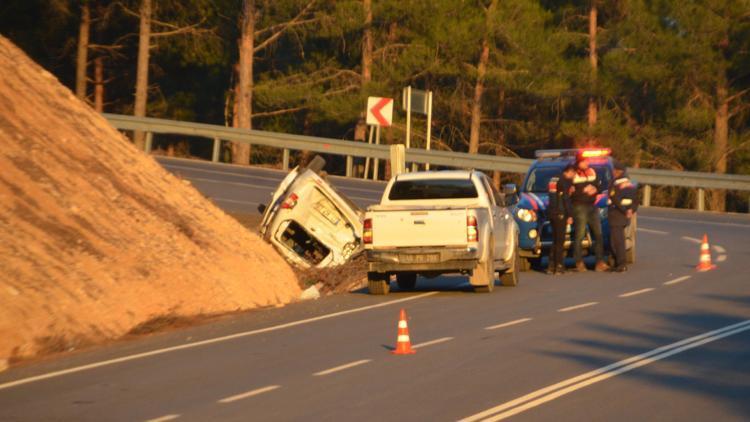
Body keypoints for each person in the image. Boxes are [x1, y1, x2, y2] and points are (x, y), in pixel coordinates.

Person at [571, 153, 609, 272]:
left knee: (598, 234)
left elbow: (598, 184)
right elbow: (570, 192)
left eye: (587, 161)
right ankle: (579, 261)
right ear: (578, 162)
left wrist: (595, 189)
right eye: (584, 161)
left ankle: (599, 262)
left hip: (592, 206)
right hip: (579, 207)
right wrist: (583, 191)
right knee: (580, 235)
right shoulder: (573, 174)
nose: (586, 163)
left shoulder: (592, 171)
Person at [608, 160, 638, 272]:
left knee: (617, 242)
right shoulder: (630, 183)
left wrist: (624, 210)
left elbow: (614, 199)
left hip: (616, 214)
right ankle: (619, 264)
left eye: (614, 170)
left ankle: (621, 264)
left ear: (617, 171)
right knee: (618, 240)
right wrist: (631, 210)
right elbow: (636, 200)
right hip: (624, 216)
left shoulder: (615, 183)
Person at [546, 165, 575, 275]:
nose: (573, 176)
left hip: (552, 213)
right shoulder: (565, 181)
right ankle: (559, 266)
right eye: (573, 173)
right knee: (560, 241)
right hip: (560, 213)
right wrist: (570, 215)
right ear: (569, 171)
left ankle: (551, 266)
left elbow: (552, 196)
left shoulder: (553, 179)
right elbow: (565, 199)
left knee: (554, 240)